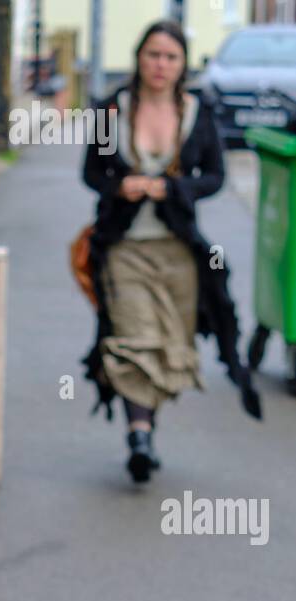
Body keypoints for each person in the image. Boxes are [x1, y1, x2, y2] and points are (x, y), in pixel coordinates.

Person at [82, 20, 260, 484]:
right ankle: (139, 433)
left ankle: (146, 431)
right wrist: (121, 185)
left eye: (170, 57)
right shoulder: (110, 112)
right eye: (152, 55)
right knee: (133, 337)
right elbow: (92, 174)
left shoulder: (198, 113)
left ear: (182, 65)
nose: (160, 65)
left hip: (180, 250)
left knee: (167, 346)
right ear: (138, 58)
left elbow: (215, 177)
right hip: (122, 247)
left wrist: (174, 188)